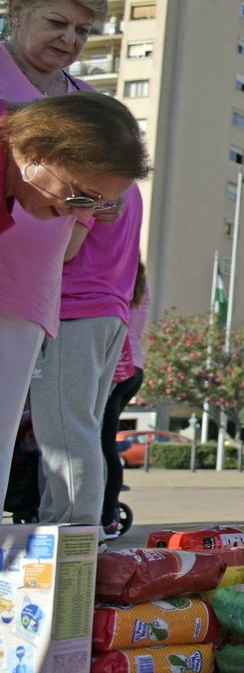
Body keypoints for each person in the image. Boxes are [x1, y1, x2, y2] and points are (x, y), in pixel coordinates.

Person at [0, 0, 124, 502]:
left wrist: (92, 205)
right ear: (16, 10)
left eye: (82, 30)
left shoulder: (85, 109)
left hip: (30, 291)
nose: (70, 39)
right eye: (57, 23)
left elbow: (73, 233)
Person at [31, 170, 143, 528]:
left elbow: (67, 250)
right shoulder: (127, 181)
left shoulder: (96, 175)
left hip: (77, 310)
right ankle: (67, 532)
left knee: (64, 433)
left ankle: (73, 535)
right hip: (105, 311)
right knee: (77, 430)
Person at [99, 261, 148, 539]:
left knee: (99, 443)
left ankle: (105, 516)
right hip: (134, 368)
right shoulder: (141, 284)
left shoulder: (118, 277)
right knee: (106, 444)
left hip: (117, 365)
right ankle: (108, 514)